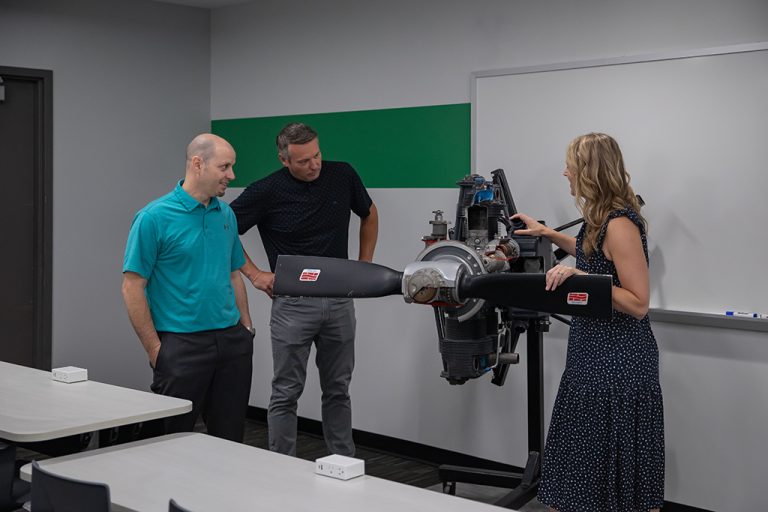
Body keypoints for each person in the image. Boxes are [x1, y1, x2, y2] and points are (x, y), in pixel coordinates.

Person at [512, 133, 664, 512]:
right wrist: (548, 234)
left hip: (616, 362)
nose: (566, 173)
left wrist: (582, 279)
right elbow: (592, 255)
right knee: (582, 469)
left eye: (571, 166)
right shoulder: (600, 219)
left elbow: (638, 302)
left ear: (590, 171)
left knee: (596, 473)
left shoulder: (619, 225)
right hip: (591, 356)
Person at [230, 122, 378, 457]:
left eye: (317, 155)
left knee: (338, 388)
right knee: (286, 391)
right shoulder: (266, 190)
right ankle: (282, 465)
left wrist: (364, 265)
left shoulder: (342, 175)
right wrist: (254, 274)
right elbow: (222, 228)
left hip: (340, 300)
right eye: (303, 161)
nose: (314, 165)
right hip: (293, 305)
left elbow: (369, 214)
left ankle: (344, 462)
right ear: (285, 160)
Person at [121, 133, 255, 442]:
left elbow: (233, 273)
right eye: (225, 167)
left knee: (230, 439)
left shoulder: (226, 214)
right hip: (181, 345)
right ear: (198, 164)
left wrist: (246, 327)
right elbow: (132, 287)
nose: (231, 176)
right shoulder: (153, 217)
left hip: (231, 342)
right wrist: (156, 350)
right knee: (168, 439)